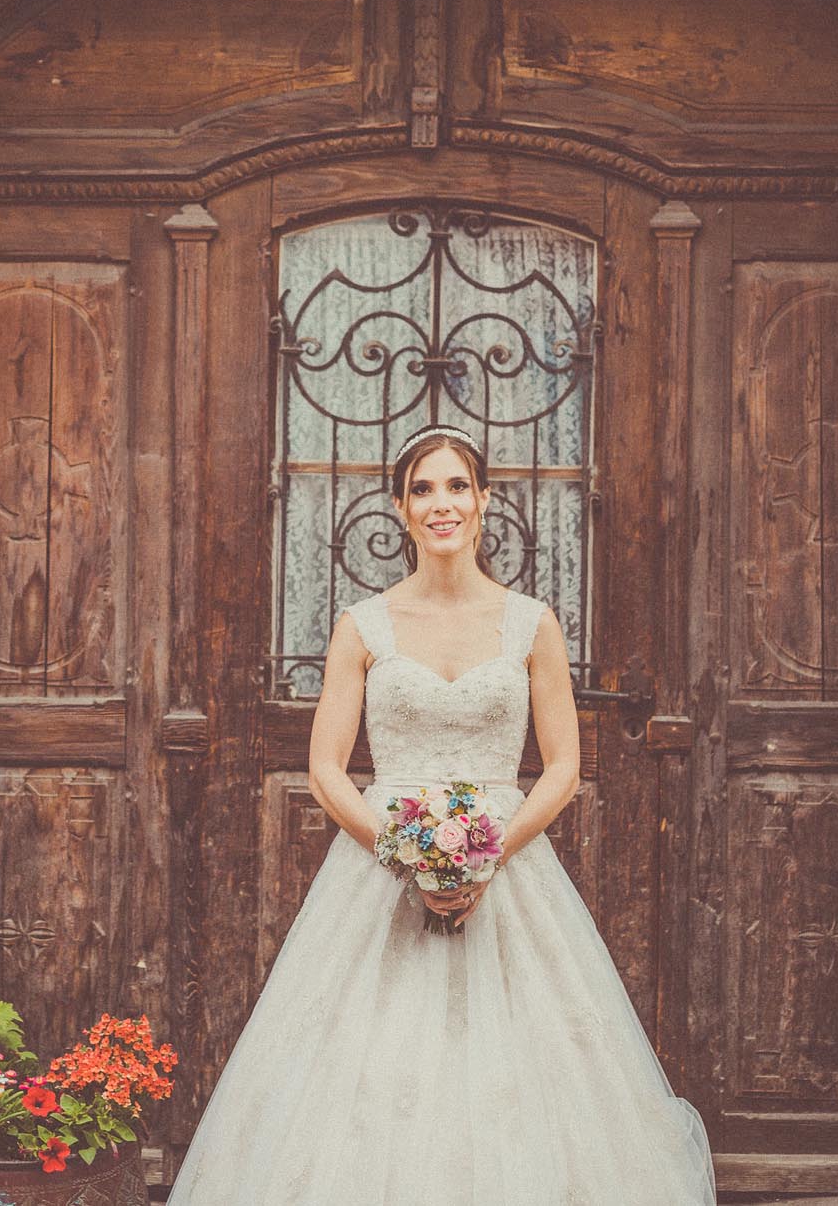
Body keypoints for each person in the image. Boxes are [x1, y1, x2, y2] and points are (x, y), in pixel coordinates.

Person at [163, 423, 715, 1205]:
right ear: (401, 507)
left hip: (509, 869)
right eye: (423, 489)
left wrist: (487, 856)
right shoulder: (363, 626)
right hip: (380, 872)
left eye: (457, 485)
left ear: (483, 499)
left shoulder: (532, 624)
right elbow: (326, 768)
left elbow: (563, 766)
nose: (441, 503)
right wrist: (405, 854)